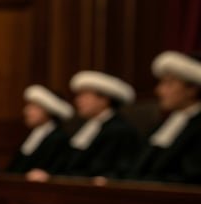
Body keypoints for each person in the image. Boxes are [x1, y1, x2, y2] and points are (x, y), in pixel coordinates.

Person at [28, 70, 139, 182]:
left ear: (104, 99)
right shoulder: (85, 128)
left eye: (84, 95)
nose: (78, 100)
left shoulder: (120, 130)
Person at [123, 50, 201, 184]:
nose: (159, 90)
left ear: (192, 89)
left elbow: (190, 178)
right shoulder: (163, 125)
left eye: (168, 84)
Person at [0, 84, 73, 179]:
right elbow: (16, 169)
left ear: (48, 110)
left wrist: (48, 176)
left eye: (34, 107)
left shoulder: (59, 137)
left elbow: (61, 171)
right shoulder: (32, 135)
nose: (26, 111)